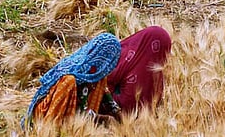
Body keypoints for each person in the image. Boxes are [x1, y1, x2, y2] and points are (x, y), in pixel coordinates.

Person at [23, 26, 172, 128]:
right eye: (111, 61)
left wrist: (121, 120)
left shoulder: (98, 78)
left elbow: (110, 103)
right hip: (48, 124)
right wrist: (99, 119)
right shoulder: (69, 80)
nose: (114, 66)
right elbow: (55, 119)